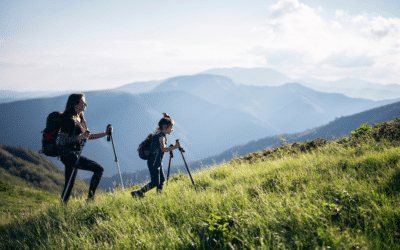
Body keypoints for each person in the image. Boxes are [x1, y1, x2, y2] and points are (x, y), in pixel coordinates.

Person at [58, 93, 112, 203]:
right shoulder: (69, 120)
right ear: (75, 104)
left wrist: (105, 133)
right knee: (99, 169)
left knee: (69, 184)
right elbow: (62, 141)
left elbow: (88, 136)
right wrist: (80, 137)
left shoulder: (80, 118)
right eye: (83, 102)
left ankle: (62, 208)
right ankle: (90, 200)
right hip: (69, 155)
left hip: (73, 155)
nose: (86, 104)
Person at [131, 113, 180, 198]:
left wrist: (170, 148)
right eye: (171, 127)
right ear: (165, 127)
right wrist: (175, 147)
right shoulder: (160, 136)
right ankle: (138, 192)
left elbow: (162, 148)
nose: (172, 129)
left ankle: (159, 197)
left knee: (162, 180)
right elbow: (163, 149)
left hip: (156, 161)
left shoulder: (160, 135)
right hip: (154, 162)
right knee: (155, 182)